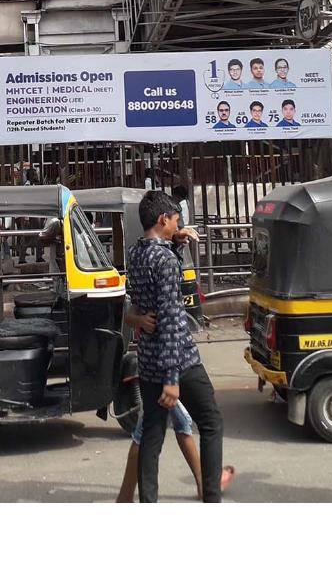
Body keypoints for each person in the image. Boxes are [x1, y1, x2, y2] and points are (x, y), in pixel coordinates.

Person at [126, 190, 225, 503]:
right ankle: (211, 496)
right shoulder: (166, 260)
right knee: (211, 424)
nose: (178, 225)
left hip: (148, 360)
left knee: (152, 436)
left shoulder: (136, 253)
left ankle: (148, 502)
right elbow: (169, 318)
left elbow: (146, 300)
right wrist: (172, 379)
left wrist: (175, 242)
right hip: (179, 360)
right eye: (175, 220)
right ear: (162, 219)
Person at [117, 308, 236, 502]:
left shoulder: (143, 280)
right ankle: (204, 488)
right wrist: (171, 379)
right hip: (170, 367)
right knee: (152, 431)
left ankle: (129, 495)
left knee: (169, 426)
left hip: (156, 366)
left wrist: (138, 320)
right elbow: (169, 324)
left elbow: (131, 314)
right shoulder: (164, 278)